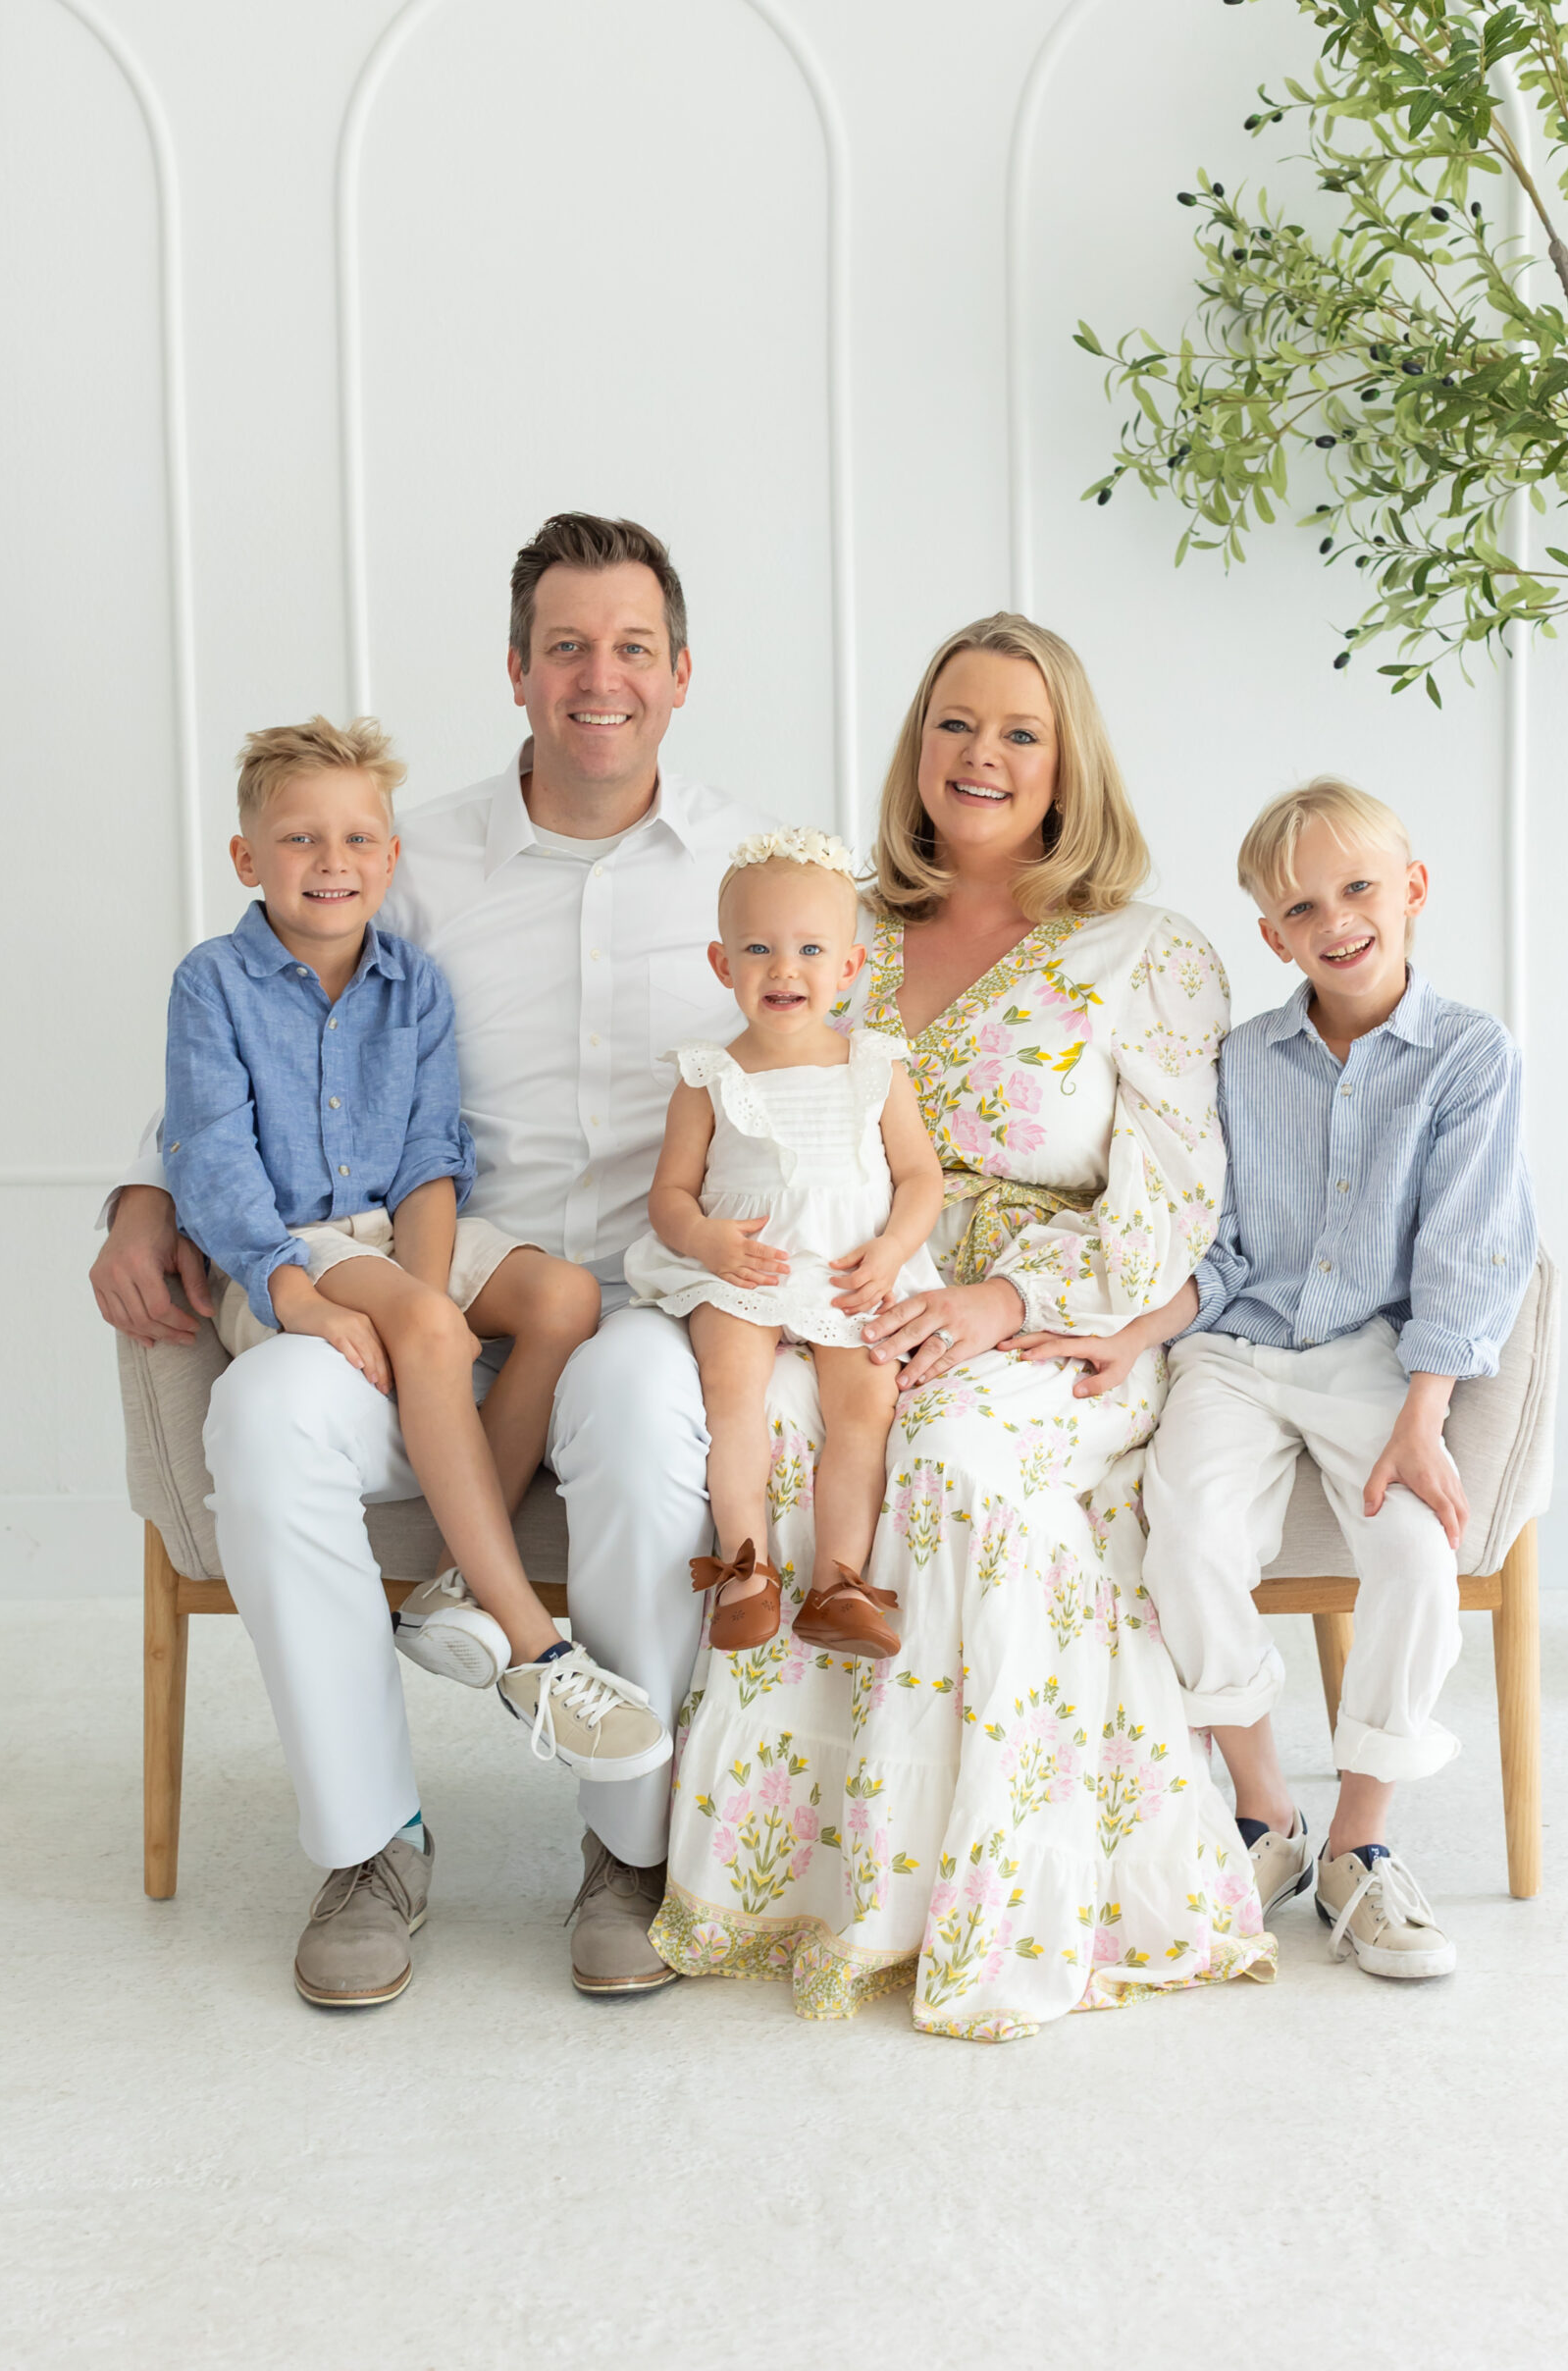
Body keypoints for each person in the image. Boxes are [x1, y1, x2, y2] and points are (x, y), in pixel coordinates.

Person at [91, 514, 758, 2006]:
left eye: (632, 648)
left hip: (638, 1301)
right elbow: (265, 1025)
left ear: (680, 672)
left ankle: (628, 1848)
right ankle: (369, 1847)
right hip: (411, 1282)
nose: (602, 678)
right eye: (567, 647)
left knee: (650, 1421)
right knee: (259, 1423)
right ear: (516, 672)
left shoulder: (741, 867)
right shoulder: (409, 853)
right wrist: (145, 1191)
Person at [649, 613, 1276, 2040]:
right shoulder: (839, 927)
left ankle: (997, 1898)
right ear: (914, 746)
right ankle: (797, 1890)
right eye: (952, 724)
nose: (978, 756)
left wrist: (999, 1301)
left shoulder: (1142, 952)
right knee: (790, 1443)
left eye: (1016, 732)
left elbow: (1175, 1197)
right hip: (843, 1297)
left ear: (1067, 764)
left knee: (955, 1467)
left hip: (1060, 1314)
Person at [164, 712, 668, 1817]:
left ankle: (452, 1577)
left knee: (565, 1296)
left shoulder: (415, 985)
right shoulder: (214, 984)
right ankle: (535, 1652)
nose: (331, 863)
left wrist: (425, 1291)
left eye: (357, 840)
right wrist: (294, 1289)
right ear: (248, 859)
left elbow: (433, 1159)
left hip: (398, 1235)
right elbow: (210, 1159)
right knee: (431, 1328)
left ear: (391, 860)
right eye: (299, 841)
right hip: (292, 1248)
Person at [1137, 778, 1537, 1980]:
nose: (1337, 919)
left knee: (1417, 1553)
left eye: (1359, 887)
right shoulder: (1239, 1059)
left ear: (1411, 890)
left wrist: (1427, 1414)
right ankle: (1267, 1818)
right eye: (1303, 905)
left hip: (1376, 1359)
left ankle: (1361, 1849)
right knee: (1187, 1536)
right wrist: (1135, 1330)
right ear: (1274, 934)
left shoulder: (1470, 1055)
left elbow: (1471, 1246)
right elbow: (1213, 1243)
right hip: (1237, 1349)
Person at [625, 826, 943, 1660]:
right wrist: (702, 1238)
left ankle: (839, 1582)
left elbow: (920, 1179)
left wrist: (892, 1248)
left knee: (865, 1407)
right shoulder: (709, 1074)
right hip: (744, 1272)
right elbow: (667, 1193)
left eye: (809, 949)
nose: (783, 969)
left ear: (848, 968)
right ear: (721, 964)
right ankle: (746, 1568)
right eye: (758, 949)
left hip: (848, 1270)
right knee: (731, 1395)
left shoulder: (873, 1064)